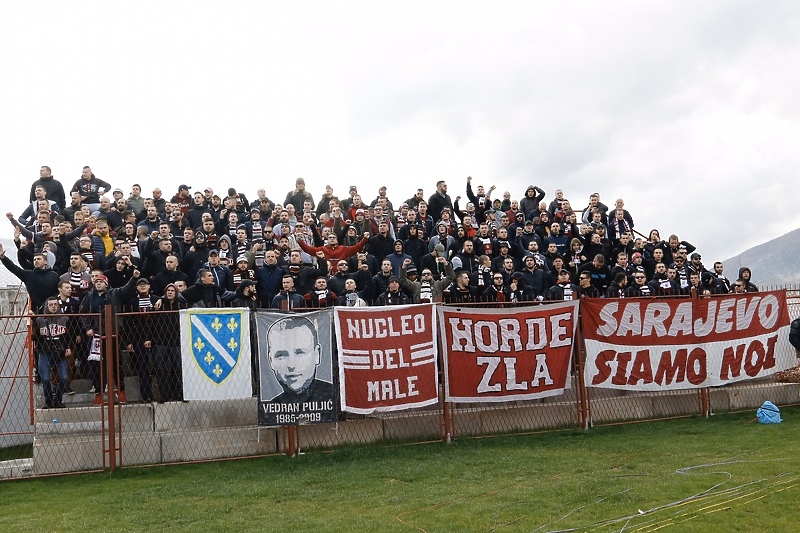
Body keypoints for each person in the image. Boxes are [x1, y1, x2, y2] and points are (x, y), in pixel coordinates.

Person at [264, 315, 334, 403]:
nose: (291, 365)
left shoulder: (334, 398)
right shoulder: (269, 409)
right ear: (271, 361)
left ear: (317, 354)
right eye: (281, 356)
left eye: (300, 353)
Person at [34, 297, 73, 408]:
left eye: (55, 304)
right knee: (45, 378)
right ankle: (48, 401)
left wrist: (68, 347)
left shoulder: (64, 319)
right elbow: (35, 336)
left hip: (60, 351)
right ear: (46, 306)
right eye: (50, 305)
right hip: (44, 352)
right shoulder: (39, 320)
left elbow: (69, 335)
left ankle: (58, 400)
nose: (53, 307)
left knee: (64, 377)